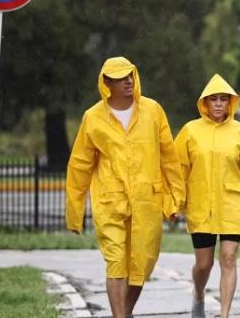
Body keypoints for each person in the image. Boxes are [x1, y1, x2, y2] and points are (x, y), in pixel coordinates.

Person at [65, 57, 185, 318]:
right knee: (116, 262)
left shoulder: (153, 111)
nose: (128, 81)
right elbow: (79, 167)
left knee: (142, 265)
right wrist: (75, 214)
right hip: (110, 203)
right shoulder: (93, 118)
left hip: (147, 201)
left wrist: (175, 198)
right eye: (120, 78)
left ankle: (124, 313)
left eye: (130, 75)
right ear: (107, 83)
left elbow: (169, 158)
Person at [174, 74, 240, 318]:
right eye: (213, 99)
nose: (218, 104)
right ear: (204, 103)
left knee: (228, 258)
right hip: (200, 206)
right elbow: (176, 171)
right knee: (204, 264)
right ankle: (198, 296)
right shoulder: (190, 131)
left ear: (230, 103)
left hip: (232, 204)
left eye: (223, 99)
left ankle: (224, 314)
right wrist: (174, 203)